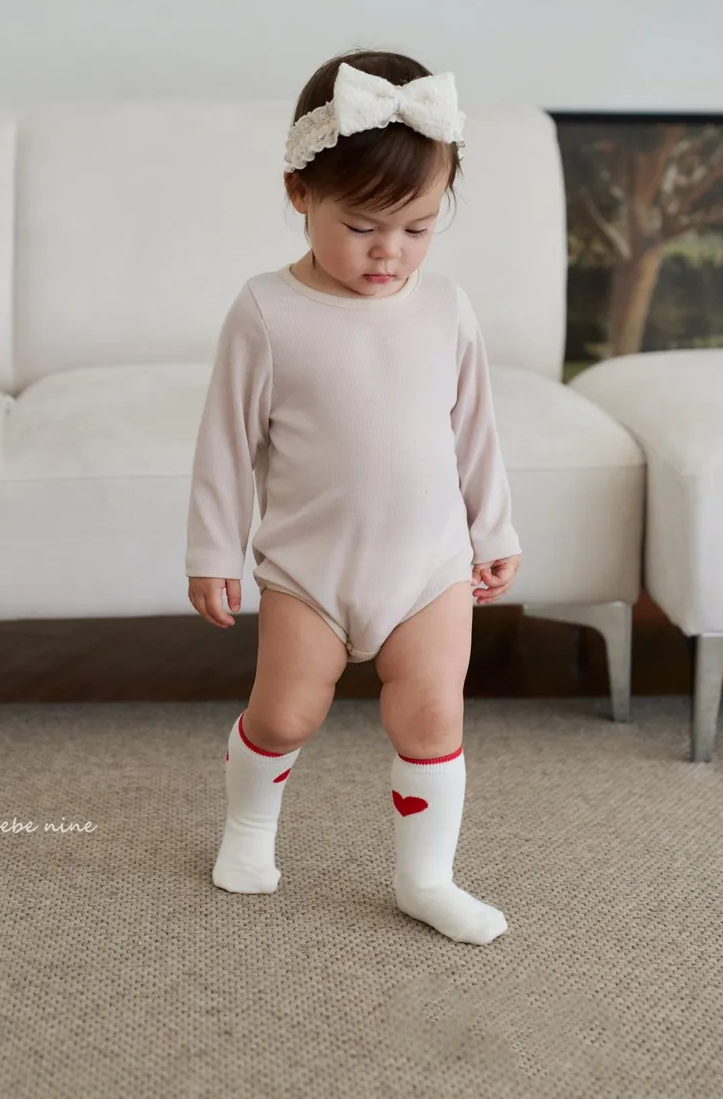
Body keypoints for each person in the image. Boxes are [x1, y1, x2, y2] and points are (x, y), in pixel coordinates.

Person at [186, 50, 522, 946]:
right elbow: (227, 441)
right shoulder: (266, 311)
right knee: (285, 713)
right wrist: (213, 550)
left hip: (431, 566)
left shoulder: (447, 308)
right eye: (364, 225)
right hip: (309, 569)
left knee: (433, 714)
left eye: (417, 228)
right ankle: (249, 829)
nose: (389, 252)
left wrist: (493, 528)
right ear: (300, 193)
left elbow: (475, 429)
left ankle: (426, 877)